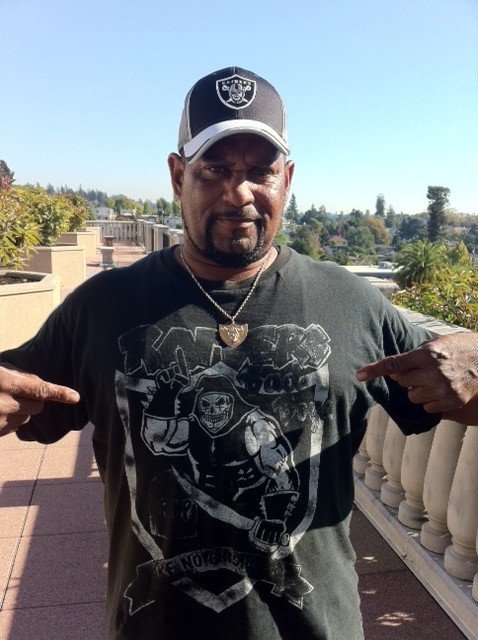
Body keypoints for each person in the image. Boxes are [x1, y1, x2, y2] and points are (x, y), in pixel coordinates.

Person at [0, 66, 477, 640]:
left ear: (288, 179)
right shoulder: (102, 307)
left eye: (259, 171)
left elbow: (458, 394)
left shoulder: (351, 302)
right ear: (178, 177)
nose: (239, 191)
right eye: (215, 169)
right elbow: (16, 385)